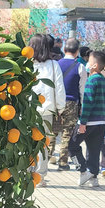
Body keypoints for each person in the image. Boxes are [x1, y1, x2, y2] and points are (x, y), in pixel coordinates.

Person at [68, 49, 105, 188]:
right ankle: (93, 177)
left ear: (95, 65)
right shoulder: (103, 79)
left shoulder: (91, 80)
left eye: (89, 61)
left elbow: (88, 102)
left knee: (72, 146)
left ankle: (83, 170)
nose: (86, 63)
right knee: (94, 150)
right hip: (101, 121)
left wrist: (82, 122)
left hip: (89, 121)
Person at [30, 34, 66, 184]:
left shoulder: (26, 64)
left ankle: (26, 172)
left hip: (28, 111)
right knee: (43, 144)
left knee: (27, 143)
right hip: (46, 111)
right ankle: (40, 176)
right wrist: (60, 108)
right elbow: (59, 88)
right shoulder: (53, 65)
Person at [53, 38, 85, 170]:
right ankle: (63, 162)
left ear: (64, 50)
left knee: (52, 131)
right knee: (67, 133)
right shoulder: (80, 67)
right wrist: (82, 106)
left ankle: (48, 157)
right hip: (72, 103)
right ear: (77, 51)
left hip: (56, 101)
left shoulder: (56, 64)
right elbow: (82, 90)